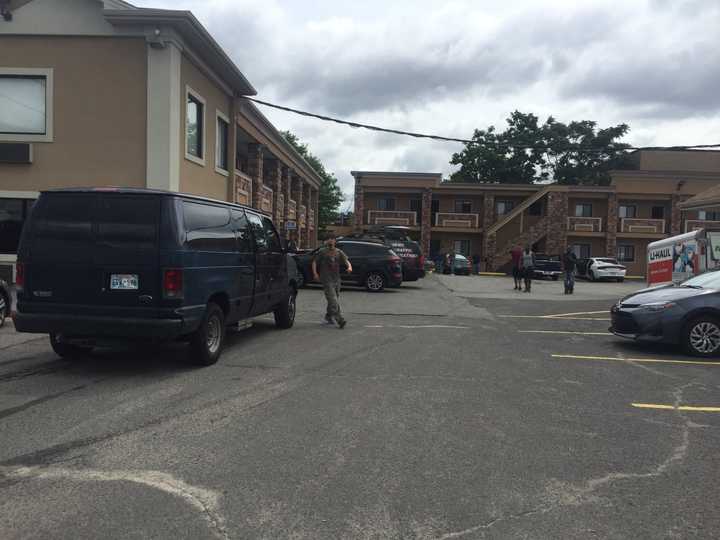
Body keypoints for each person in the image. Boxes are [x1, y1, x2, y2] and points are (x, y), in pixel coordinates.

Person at [312, 234, 352, 328]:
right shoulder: (322, 252)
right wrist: (315, 273)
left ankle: (328, 316)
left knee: (334, 299)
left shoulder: (339, 252)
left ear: (335, 241)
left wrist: (349, 267)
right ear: (326, 241)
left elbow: (346, 261)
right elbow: (314, 262)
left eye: (332, 239)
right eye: (328, 239)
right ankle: (340, 319)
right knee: (333, 299)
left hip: (336, 279)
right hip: (326, 279)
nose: (330, 241)